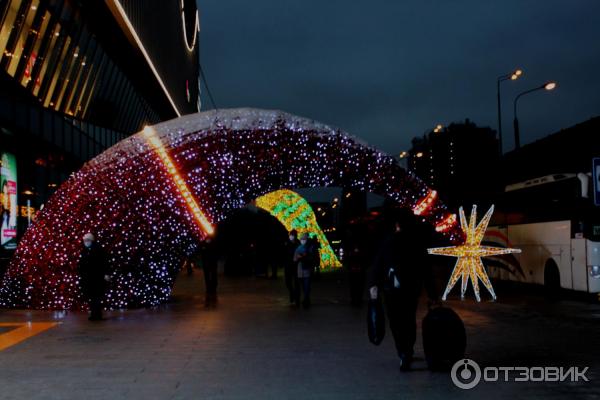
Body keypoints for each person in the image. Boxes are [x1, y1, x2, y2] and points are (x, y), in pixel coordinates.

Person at [368, 210, 438, 371]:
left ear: (397, 225)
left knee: (395, 321)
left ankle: (402, 351)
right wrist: (432, 293)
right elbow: (426, 269)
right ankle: (407, 349)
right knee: (409, 319)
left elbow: (377, 266)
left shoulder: (388, 242)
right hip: (411, 288)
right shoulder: (417, 243)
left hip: (391, 289)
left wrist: (373, 286)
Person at [78, 233, 109, 321]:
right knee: (91, 298)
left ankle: (97, 315)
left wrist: (105, 274)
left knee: (97, 298)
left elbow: (104, 262)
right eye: (85, 241)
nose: (86, 242)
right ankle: (93, 314)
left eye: (88, 240)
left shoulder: (98, 250)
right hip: (88, 279)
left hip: (97, 278)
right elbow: (82, 264)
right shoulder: (84, 251)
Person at [294, 233, 314, 309]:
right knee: (304, 287)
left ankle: (306, 300)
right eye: (301, 239)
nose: (302, 241)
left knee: (306, 287)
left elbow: (311, 258)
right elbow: (295, 259)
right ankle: (306, 299)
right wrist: (299, 257)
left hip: (307, 271)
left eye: (304, 239)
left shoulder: (310, 248)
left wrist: (303, 257)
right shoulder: (298, 248)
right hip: (300, 272)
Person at [201, 236, 219, 307]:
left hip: (210, 261)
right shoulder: (206, 242)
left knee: (211, 274)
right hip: (209, 261)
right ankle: (210, 287)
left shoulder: (207, 243)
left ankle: (211, 287)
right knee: (209, 274)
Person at [283, 230, 299, 304]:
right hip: (288, 266)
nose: (291, 236)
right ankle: (292, 293)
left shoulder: (298, 243)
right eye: (290, 235)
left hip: (296, 266)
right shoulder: (286, 243)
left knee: (296, 283)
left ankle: (295, 298)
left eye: (293, 235)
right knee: (287, 282)